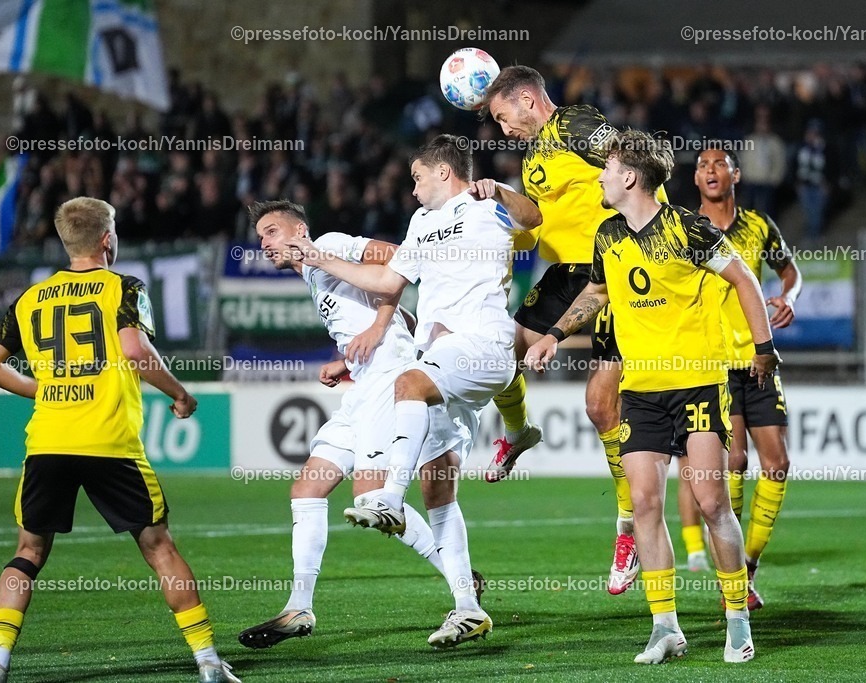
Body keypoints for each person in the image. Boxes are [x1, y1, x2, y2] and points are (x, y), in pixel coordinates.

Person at [525, 130, 779, 664]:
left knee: (712, 503)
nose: (598, 175)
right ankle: (665, 626)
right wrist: (551, 334)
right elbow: (597, 292)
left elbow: (744, 281)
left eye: (606, 168)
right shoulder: (608, 234)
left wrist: (763, 348)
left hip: (696, 384)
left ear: (630, 177)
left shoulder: (688, 228)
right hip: (640, 390)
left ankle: (736, 619)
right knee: (644, 503)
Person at [284, 134, 540, 647]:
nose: (413, 188)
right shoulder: (421, 224)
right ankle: (468, 607)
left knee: (408, 384)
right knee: (439, 487)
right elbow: (385, 283)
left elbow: (533, 219)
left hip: (484, 345)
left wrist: (503, 191)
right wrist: (317, 258)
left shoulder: (486, 205)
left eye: (418, 178)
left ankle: (390, 500)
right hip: (446, 358)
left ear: (444, 173)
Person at [0, 198, 240, 683]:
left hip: (49, 441)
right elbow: (134, 349)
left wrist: (40, 388)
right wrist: (179, 393)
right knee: (159, 547)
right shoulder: (124, 287)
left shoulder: (30, 298)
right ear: (106, 240)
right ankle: (207, 662)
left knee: (28, 552)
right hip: (109, 442)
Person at [236, 200, 481, 649]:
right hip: (363, 386)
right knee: (307, 489)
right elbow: (389, 313)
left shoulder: (328, 245)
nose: (264, 243)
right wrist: (347, 360)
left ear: (300, 230)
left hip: (388, 385)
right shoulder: (314, 273)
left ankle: (462, 582)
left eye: (272, 232)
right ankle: (299, 606)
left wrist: (378, 330)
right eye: (260, 236)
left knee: (372, 499)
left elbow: (398, 260)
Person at [482, 65, 671, 594]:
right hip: (567, 269)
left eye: (503, 117)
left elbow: (640, 164)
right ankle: (518, 433)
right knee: (504, 351)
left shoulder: (574, 124)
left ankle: (628, 528)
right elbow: (539, 218)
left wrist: (649, 237)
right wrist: (496, 204)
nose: (503, 130)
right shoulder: (536, 152)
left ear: (526, 99)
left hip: (612, 267)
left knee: (600, 406)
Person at [677, 148, 803, 605]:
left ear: (736, 174)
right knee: (733, 464)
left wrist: (790, 295)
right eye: (703, 166)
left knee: (778, 464)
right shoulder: (686, 227)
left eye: (719, 164)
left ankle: (747, 564)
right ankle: (731, 576)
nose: (710, 171)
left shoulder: (759, 225)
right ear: (695, 180)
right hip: (714, 364)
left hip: (760, 361)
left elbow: (790, 271)